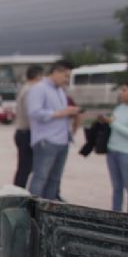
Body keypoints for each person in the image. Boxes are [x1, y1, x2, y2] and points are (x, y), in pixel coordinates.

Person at [27, 60, 79, 200]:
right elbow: (34, 113)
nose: (67, 80)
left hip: (62, 140)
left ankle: (49, 209)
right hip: (46, 141)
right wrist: (61, 113)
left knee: (55, 179)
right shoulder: (39, 89)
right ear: (56, 72)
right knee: (40, 177)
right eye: (65, 76)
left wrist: (70, 113)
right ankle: (32, 211)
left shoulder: (60, 91)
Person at [12, 65, 43, 188]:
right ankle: (17, 193)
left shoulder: (23, 88)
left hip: (21, 131)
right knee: (25, 168)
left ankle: (17, 191)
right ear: (37, 76)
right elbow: (31, 113)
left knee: (24, 167)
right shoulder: (30, 90)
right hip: (27, 132)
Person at [100, 83, 128, 211]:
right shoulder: (119, 108)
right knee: (117, 186)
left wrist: (113, 123)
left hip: (125, 153)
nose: (121, 93)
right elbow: (113, 124)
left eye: (124, 90)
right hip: (113, 151)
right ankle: (116, 213)